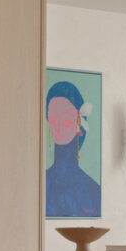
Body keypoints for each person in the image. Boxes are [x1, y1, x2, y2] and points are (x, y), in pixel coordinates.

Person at [44, 79, 101, 218]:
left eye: (66, 122)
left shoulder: (93, 191)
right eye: (53, 121)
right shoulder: (41, 184)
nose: (57, 129)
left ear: (79, 126)